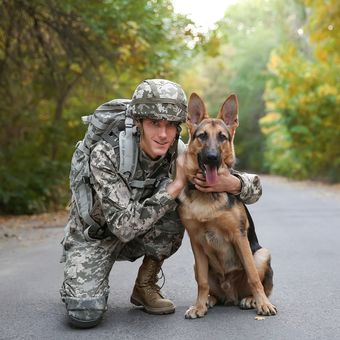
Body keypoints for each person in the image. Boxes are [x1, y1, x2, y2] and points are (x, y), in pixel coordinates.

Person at [60, 79, 262, 328]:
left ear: (180, 127)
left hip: (140, 232)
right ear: (139, 122)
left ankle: (145, 285)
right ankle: (83, 283)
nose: (163, 134)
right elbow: (123, 227)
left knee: (186, 210)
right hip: (96, 236)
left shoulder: (179, 149)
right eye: (154, 123)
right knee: (85, 314)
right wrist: (176, 186)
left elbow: (251, 188)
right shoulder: (107, 153)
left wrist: (234, 184)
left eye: (169, 125)